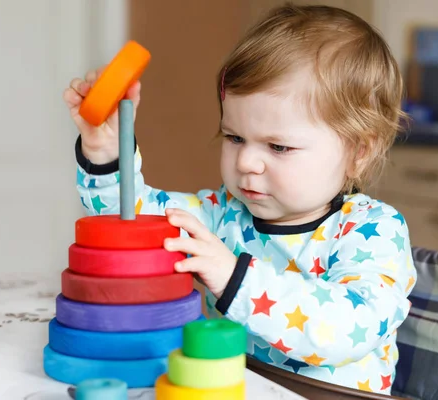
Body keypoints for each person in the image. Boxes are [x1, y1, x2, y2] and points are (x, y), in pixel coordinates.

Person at [63, 4, 416, 395]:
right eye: (234, 138)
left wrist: (235, 279)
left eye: (278, 147)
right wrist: (106, 149)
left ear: (358, 153)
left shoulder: (374, 230)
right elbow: (128, 222)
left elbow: (349, 329)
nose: (247, 161)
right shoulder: (220, 215)